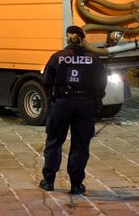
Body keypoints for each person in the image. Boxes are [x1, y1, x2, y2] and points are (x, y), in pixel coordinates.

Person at [39, 26, 107, 194]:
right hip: (85, 104)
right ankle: (76, 184)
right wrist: (95, 100)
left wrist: (53, 97)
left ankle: (49, 180)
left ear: (67, 38)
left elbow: (46, 81)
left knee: (54, 141)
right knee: (80, 144)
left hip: (61, 104)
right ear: (83, 40)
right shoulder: (93, 59)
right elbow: (102, 83)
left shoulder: (57, 57)